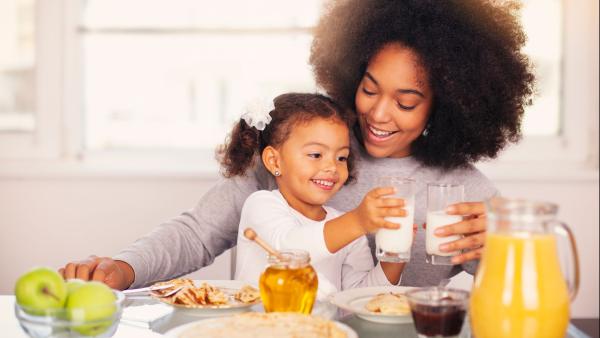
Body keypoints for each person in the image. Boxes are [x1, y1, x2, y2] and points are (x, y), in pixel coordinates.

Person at [59, 0, 534, 290]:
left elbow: (516, 296)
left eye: (406, 102)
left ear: (447, 104)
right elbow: (198, 232)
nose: (378, 113)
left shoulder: (466, 192)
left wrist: (499, 254)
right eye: (369, 88)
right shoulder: (303, 153)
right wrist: (123, 267)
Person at [224, 93, 405, 297]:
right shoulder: (261, 205)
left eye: (341, 157)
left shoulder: (345, 227)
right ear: (274, 161)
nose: (332, 167)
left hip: (321, 329)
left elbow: (357, 299)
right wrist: (358, 221)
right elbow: (289, 249)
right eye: (316, 155)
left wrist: (394, 256)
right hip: (259, 328)